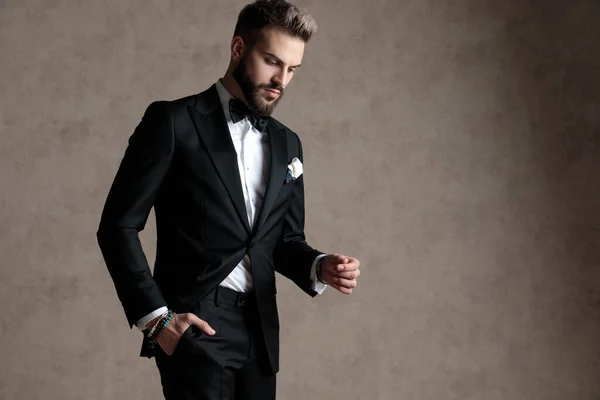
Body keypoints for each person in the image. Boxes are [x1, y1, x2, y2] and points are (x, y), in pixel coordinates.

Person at [96, 0, 361, 398]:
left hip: (261, 330)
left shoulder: (288, 143)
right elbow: (117, 227)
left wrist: (320, 266)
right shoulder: (173, 122)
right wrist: (157, 319)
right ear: (238, 49)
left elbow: (281, 242)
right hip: (197, 325)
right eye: (272, 61)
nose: (281, 80)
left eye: (292, 70)